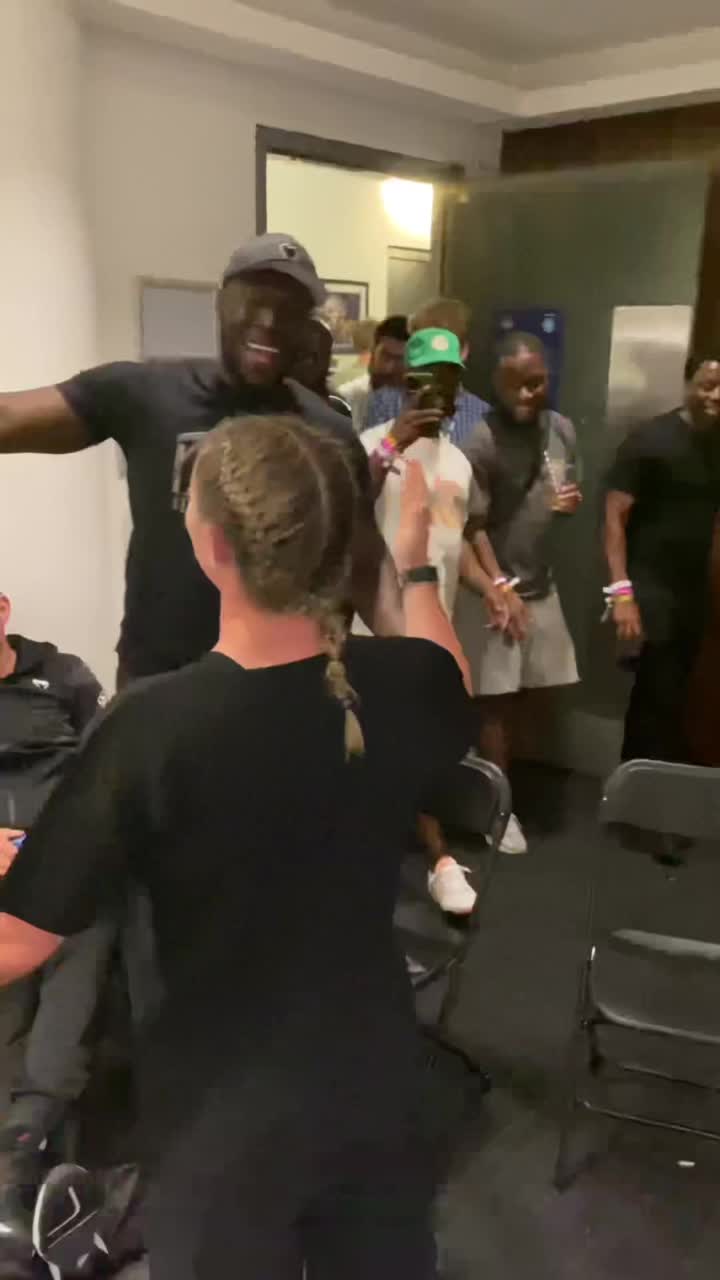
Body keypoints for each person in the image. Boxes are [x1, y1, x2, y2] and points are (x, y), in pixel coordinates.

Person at [0, 414, 472, 1280]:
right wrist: (413, 562)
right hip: (374, 1086)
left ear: (213, 547)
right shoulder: (407, 684)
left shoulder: (150, 727)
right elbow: (448, 674)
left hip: (220, 1123)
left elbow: (17, 943)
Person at [0, 233, 400, 686]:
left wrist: (420, 664)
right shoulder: (147, 394)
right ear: (221, 303)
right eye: (254, 300)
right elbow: (9, 418)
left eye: (289, 310)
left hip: (284, 688)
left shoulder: (328, 432)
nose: (268, 320)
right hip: (160, 682)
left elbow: (368, 564)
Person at [358, 327, 493, 914]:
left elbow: (456, 540)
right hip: (373, 626)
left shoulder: (459, 462)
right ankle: (436, 859)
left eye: (450, 379)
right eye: (427, 379)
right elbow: (347, 504)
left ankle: (427, 856)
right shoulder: (371, 445)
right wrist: (395, 440)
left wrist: (493, 588)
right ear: (405, 383)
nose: (439, 391)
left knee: (415, 743)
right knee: (374, 745)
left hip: (436, 621)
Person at [0, 592, 111, 1239]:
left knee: (81, 926)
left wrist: (57, 846)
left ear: (3, 610)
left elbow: (107, 773)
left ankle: (26, 1136)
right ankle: (18, 1157)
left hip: (65, 862)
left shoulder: (63, 676)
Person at [455, 333, 581, 855]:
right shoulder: (480, 441)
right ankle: (496, 810)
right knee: (495, 702)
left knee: (536, 691)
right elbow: (471, 525)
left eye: (536, 382)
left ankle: (498, 780)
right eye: (516, 385)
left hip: (540, 583)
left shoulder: (562, 429)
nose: (528, 394)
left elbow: (563, 490)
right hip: (493, 586)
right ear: (497, 384)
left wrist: (567, 505)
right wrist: (497, 586)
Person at [605, 354, 720, 762]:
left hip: (693, 590)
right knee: (653, 696)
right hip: (649, 589)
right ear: (688, 385)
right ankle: (632, 790)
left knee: (675, 698)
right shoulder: (650, 439)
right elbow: (614, 517)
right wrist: (622, 593)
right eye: (707, 385)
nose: (715, 396)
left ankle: (655, 787)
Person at [366, 298, 490, 445]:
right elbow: (365, 457)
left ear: (463, 351)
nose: (434, 371)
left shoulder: (481, 416)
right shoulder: (384, 403)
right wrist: (393, 440)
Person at [338, 315, 409, 432]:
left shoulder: (418, 406)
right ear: (373, 351)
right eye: (385, 356)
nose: (389, 368)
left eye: (399, 360)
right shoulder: (347, 397)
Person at [289, 317, 352, 418]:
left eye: (324, 355)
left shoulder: (339, 406)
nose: (314, 363)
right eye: (305, 356)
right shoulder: (274, 404)